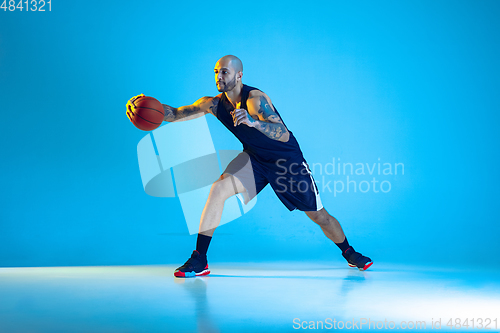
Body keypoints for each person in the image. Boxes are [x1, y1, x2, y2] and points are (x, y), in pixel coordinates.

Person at [134, 55, 372, 277]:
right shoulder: (214, 104)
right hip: (255, 158)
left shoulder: (255, 100)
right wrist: (142, 106)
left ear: (239, 76)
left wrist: (253, 123)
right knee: (218, 190)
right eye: (216, 72)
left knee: (319, 216)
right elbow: (174, 114)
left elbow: (283, 134)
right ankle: (200, 259)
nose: (219, 77)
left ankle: (349, 253)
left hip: (286, 162)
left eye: (225, 72)